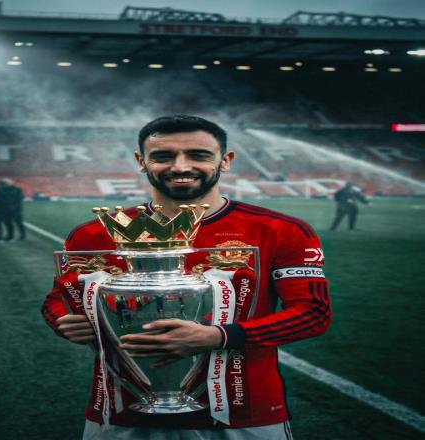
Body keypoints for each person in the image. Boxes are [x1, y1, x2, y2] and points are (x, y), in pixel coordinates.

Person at [42, 115, 331, 439]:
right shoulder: (93, 234)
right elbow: (56, 300)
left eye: (198, 155)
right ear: (141, 161)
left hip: (245, 416)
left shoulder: (282, 230)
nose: (180, 166)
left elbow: (312, 314)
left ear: (225, 160)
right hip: (122, 414)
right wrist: (63, 321)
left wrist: (220, 336)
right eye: (163, 156)